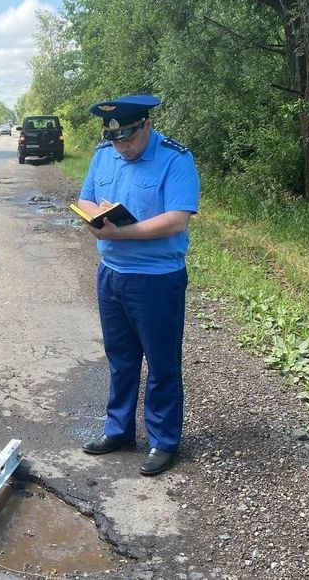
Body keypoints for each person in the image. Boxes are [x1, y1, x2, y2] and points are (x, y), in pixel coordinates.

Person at [75, 94, 200, 476]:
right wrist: (95, 216)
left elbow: (177, 219)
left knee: (162, 363)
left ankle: (163, 442)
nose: (121, 146)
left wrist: (123, 234)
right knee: (121, 359)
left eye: (128, 138)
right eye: (114, 140)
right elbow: (86, 197)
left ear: (146, 126)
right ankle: (119, 431)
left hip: (156, 279)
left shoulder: (176, 159)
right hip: (111, 274)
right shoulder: (104, 154)